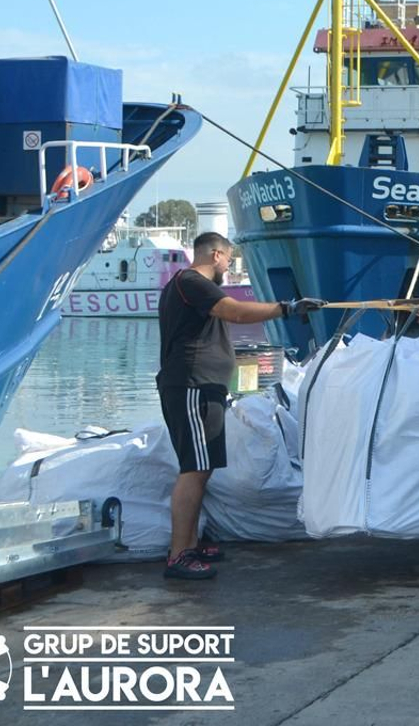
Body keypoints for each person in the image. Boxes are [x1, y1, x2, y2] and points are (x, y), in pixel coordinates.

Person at [157, 232, 325, 580]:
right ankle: (179, 555)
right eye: (229, 261)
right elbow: (233, 312)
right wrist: (287, 308)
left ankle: (190, 543)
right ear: (216, 255)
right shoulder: (191, 280)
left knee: (200, 467)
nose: (228, 267)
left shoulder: (191, 288)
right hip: (192, 386)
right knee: (194, 468)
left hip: (204, 387)